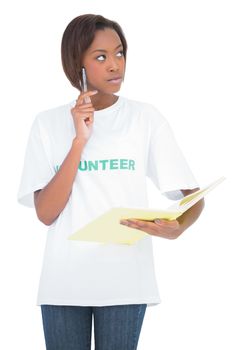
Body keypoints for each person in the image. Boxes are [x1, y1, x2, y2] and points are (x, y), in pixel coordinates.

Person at [17, 13, 204, 350]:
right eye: (101, 57)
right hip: (64, 282)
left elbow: (194, 196)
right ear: (78, 63)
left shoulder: (145, 118)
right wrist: (79, 140)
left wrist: (179, 226)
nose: (115, 65)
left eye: (119, 53)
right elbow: (46, 213)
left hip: (125, 280)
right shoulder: (47, 124)